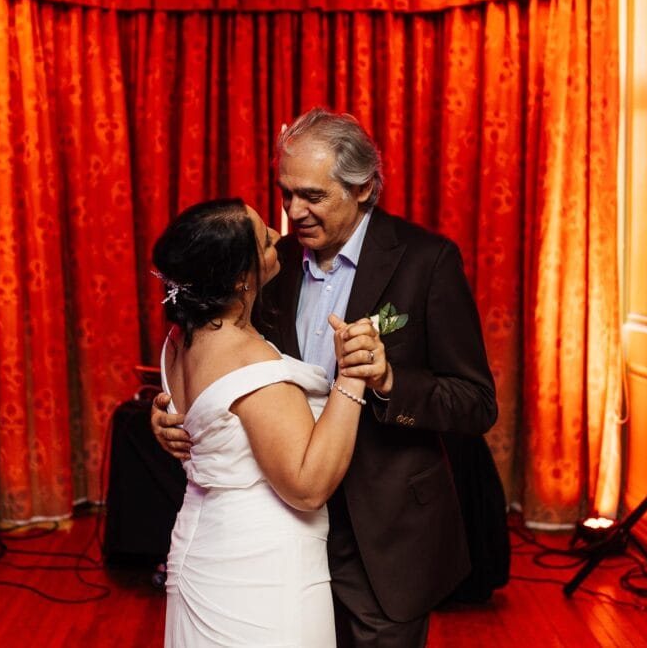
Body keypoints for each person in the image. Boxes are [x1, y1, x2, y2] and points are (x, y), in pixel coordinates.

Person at [153, 107, 498, 647]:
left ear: (363, 189)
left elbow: (476, 403)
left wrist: (387, 381)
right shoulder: (267, 262)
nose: (293, 212)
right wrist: (180, 415)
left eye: (312, 196)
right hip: (280, 538)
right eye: (286, 193)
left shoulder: (426, 261)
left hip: (383, 543)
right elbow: (227, 361)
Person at [153, 197, 381, 646]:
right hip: (263, 571)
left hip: (204, 550)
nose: (280, 236)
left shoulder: (180, 337)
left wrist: (158, 419)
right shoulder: (247, 359)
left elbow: (204, 414)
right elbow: (307, 485)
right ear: (241, 279)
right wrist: (353, 374)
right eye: (264, 239)